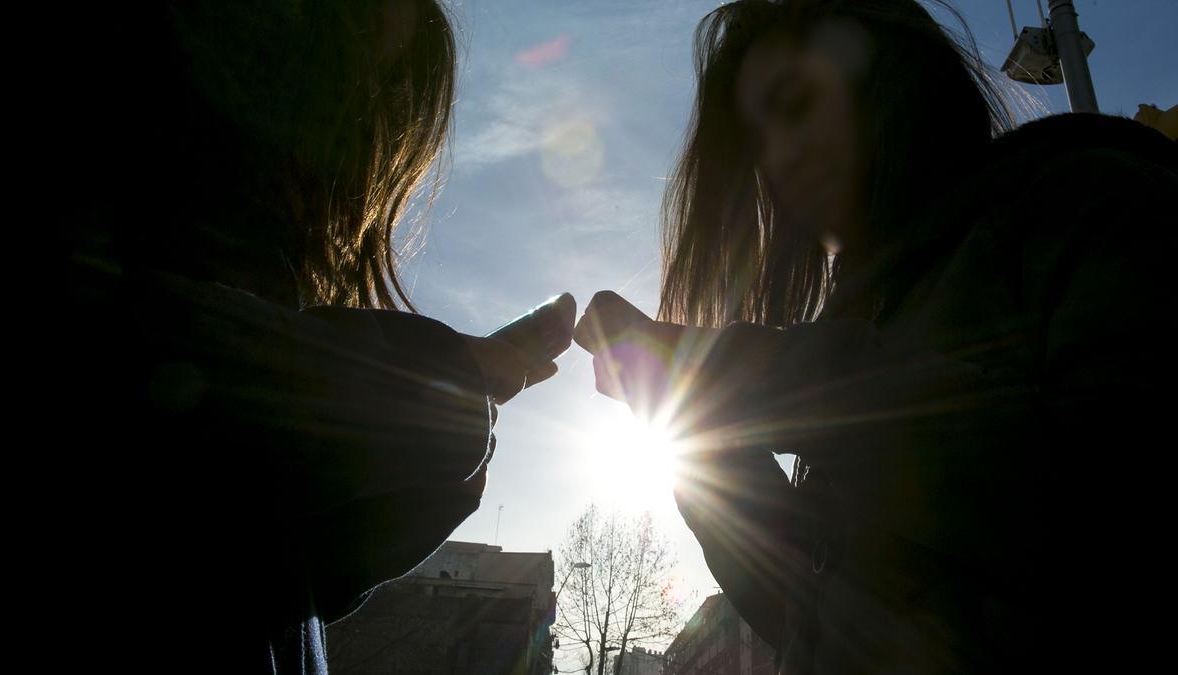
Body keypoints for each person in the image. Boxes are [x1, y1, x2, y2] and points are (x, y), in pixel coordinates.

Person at [573, 1, 1178, 673]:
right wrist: (691, 430)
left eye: (797, 102)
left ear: (894, 76)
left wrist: (732, 371)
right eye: (758, 142)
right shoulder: (863, 321)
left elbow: (1104, 507)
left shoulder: (1087, 202)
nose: (777, 160)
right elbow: (810, 609)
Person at [58, 1, 562, 672]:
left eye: (384, 88)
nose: (357, 106)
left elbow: (252, 567)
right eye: (350, 33)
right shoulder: (116, 203)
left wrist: (424, 481)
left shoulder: (245, 269)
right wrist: (434, 392)